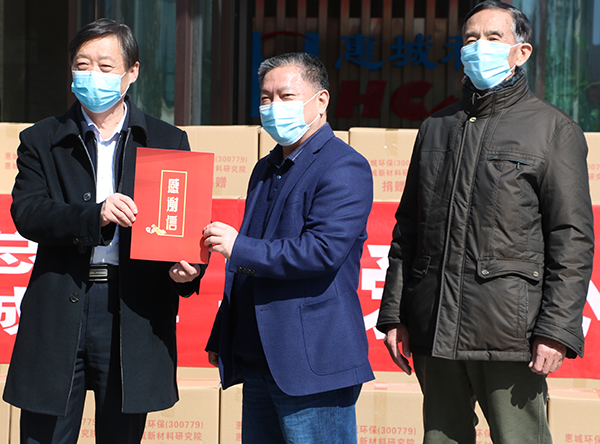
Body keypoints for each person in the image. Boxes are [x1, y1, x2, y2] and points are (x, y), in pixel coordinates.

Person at [377, 2, 594, 443]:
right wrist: (396, 314)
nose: (479, 47)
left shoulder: (553, 130)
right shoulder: (436, 127)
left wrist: (556, 330)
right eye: (471, 39)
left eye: (493, 38)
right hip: (435, 325)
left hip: (510, 333)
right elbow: (407, 231)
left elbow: (571, 240)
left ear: (522, 52)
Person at [3, 19, 205, 444]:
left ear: (132, 72)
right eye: (82, 64)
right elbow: (29, 212)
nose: (92, 75)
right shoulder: (42, 139)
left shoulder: (166, 140)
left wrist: (188, 271)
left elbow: (182, 228)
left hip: (132, 308)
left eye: (105, 66)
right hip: (60, 304)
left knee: (121, 434)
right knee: (44, 434)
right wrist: (94, 215)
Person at [203, 52, 374, 443]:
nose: (273, 107)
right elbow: (250, 265)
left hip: (312, 360)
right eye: (265, 98)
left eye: (286, 96)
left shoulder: (344, 166)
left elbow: (321, 251)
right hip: (258, 356)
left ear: (321, 100)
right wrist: (224, 334)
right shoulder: (265, 168)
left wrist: (237, 247)